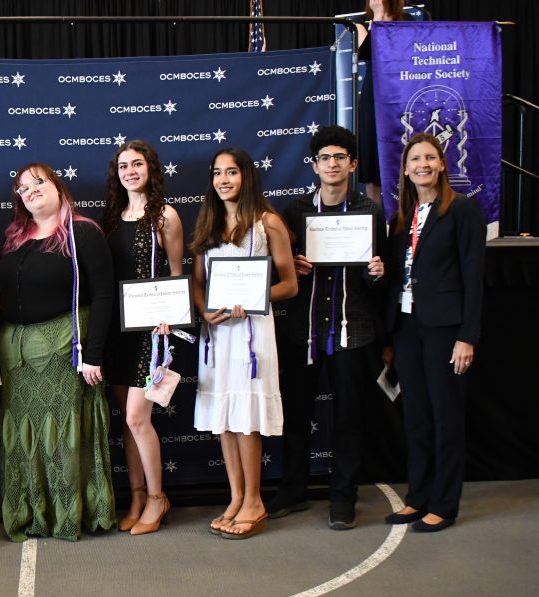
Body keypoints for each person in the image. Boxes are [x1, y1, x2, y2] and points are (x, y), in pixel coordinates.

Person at [272, 125, 388, 530]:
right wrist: (296, 269)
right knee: (297, 415)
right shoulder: (296, 211)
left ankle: (343, 497)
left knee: (348, 419)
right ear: (314, 165)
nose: (332, 164)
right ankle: (293, 490)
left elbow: (378, 279)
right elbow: (280, 270)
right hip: (302, 331)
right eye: (325, 158)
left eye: (340, 157)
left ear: (353, 164)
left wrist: (376, 273)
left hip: (351, 329)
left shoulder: (369, 211)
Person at [0, 163, 116, 541]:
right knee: (24, 437)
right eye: (22, 188)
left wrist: (93, 353)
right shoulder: (15, 236)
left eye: (38, 183)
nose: (30, 191)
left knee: (63, 436)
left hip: (65, 349)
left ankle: (69, 513)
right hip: (17, 357)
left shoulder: (82, 231)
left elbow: (103, 294)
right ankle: (33, 514)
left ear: (56, 186)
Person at [190, 148, 297, 540]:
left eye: (231, 172)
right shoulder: (208, 224)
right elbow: (198, 286)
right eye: (217, 172)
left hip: (252, 335)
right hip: (218, 335)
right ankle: (236, 497)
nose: (223, 180)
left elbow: (289, 284)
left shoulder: (268, 223)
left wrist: (252, 299)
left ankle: (255, 500)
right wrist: (205, 311)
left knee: (246, 419)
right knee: (225, 418)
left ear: (246, 177)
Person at [383, 133, 486, 532]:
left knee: (445, 417)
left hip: (446, 330)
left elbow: (474, 279)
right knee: (417, 418)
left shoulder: (462, 211)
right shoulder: (402, 215)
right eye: (415, 159)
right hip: (407, 327)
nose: (422, 164)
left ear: (442, 164)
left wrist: (467, 336)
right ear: (406, 169)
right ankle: (418, 497)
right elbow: (400, 275)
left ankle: (444, 504)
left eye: (430, 157)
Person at [102, 141, 185, 535]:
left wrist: (168, 317)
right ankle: (136, 496)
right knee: (126, 421)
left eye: (137, 164)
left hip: (149, 332)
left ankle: (157, 497)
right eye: (123, 165)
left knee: (139, 417)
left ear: (151, 168)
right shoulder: (113, 218)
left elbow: (174, 272)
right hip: (116, 331)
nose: (130, 171)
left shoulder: (165, 216)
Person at [356, 0, 408, 204]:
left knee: (403, 151)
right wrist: (377, 17)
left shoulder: (408, 21)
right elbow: (368, 53)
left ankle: (407, 218)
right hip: (374, 92)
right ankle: (376, 217)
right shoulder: (361, 23)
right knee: (371, 155)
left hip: (401, 89)